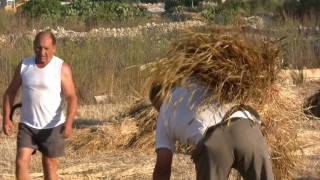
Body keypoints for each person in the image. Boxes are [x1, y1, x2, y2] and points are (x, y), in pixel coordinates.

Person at [150, 79, 274, 180]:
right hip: (245, 124)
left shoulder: (164, 111)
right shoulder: (195, 81)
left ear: (157, 102)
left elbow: (163, 168)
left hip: (214, 142)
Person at [2, 30, 78, 180]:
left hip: (53, 126)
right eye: (38, 48)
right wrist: (6, 118)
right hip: (28, 125)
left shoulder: (61, 68)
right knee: (21, 161)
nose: (42, 52)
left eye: (46, 48)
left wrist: (69, 123)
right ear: (33, 46)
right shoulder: (24, 65)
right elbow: (9, 93)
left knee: (49, 164)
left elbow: (72, 97)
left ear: (54, 48)